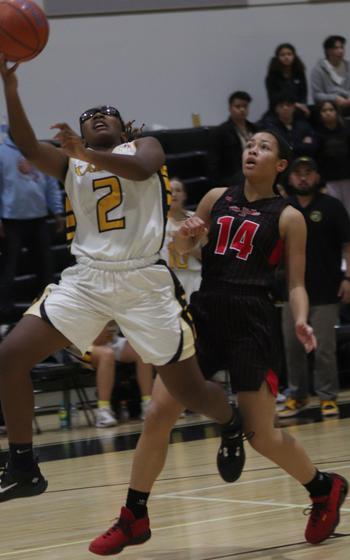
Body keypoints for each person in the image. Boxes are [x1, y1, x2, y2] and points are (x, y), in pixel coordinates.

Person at [89, 131, 348, 556]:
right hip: (205, 312)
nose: (253, 150)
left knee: (261, 435)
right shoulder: (215, 198)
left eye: (264, 147)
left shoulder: (288, 216)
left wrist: (300, 320)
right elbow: (184, 251)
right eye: (251, 145)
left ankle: (324, 488)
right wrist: (187, 235)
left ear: (280, 165)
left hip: (253, 321)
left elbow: (297, 283)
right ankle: (134, 514)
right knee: (158, 412)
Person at [0, 56, 241, 503]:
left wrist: (81, 151)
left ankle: (230, 421)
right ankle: (22, 464)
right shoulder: (70, 163)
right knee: (9, 356)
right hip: (87, 279)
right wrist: (10, 87)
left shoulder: (144, 147)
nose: (96, 118)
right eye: (88, 118)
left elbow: (143, 170)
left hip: (143, 281)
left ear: (123, 128)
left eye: (105, 114)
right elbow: (27, 146)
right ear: (80, 131)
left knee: (188, 391)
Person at [278, 156, 350, 418]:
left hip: (326, 289)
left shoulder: (332, 206)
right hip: (291, 291)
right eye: (298, 173)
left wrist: (348, 279)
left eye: (309, 172)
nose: (303, 178)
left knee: (324, 349)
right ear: (290, 178)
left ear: (317, 177)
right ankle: (297, 395)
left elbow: (347, 245)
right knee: (292, 347)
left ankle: (327, 397)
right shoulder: (283, 208)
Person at [0, 133, 64, 322]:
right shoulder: (2, 153)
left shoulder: (39, 153)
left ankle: (49, 309)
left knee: (45, 267)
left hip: (39, 219)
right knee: (8, 269)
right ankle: (4, 313)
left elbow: (51, 184)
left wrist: (58, 211)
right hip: (11, 220)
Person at [81, 322, 154, 426]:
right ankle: (103, 410)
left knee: (142, 349)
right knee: (107, 354)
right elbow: (98, 340)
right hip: (81, 347)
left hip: (110, 340)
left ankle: (148, 404)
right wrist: (107, 324)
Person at [160, 178, 202, 302]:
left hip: (192, 276)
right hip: (166, 277)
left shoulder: (196, 219)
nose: (174, 194)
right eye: (170, 190)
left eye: (178, 190)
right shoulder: (157, 220)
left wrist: (187, 245)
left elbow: (208, 254)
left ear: (184, 195)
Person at [209, 91, 256, 186]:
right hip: (232, 180)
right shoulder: (220, 132)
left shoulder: (255, 129)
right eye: (238, 106)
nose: (242, 109)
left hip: (254, 174)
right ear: (230, 108)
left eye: (245, 106)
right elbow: (213, 166)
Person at [314, 100, 350, 216]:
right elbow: (318, 160)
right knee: (334, 213)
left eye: (331, 110)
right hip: (329, 181)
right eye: (324, 110)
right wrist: (321, 184)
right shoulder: (317, 133)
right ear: (320, 114)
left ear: (336, 112)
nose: (328, 113)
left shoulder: (347, 128)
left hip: (347, 178)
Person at [258, 92, 318, 159]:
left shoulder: (304, 126)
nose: (285, 108)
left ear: (294, 108)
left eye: (288, 105)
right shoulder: (271, 128)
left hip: (301, 163)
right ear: (276, 109)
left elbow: (313, 147)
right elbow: (278, 149)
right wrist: (301, 146)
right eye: (281, 105)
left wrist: (291, 147)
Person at [265, 43, 309, 117]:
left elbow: (303, 93)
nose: (286, 57)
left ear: (294, 56)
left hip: (298, 108)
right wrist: (294, 104)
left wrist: (302, 105)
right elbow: (273, 98)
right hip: (279, 108)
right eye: (282, 55)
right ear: (277, 57)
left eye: (289, 54)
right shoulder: (272, 76)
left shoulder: (299, 73)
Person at [311, 35, 350, 114]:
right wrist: (334, 98)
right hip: (329, 105)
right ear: (328, 51)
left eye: (342, 47)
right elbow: (317, 95)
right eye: (336, 48)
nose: (340, 51)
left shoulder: (348, 66)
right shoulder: (318, 70)